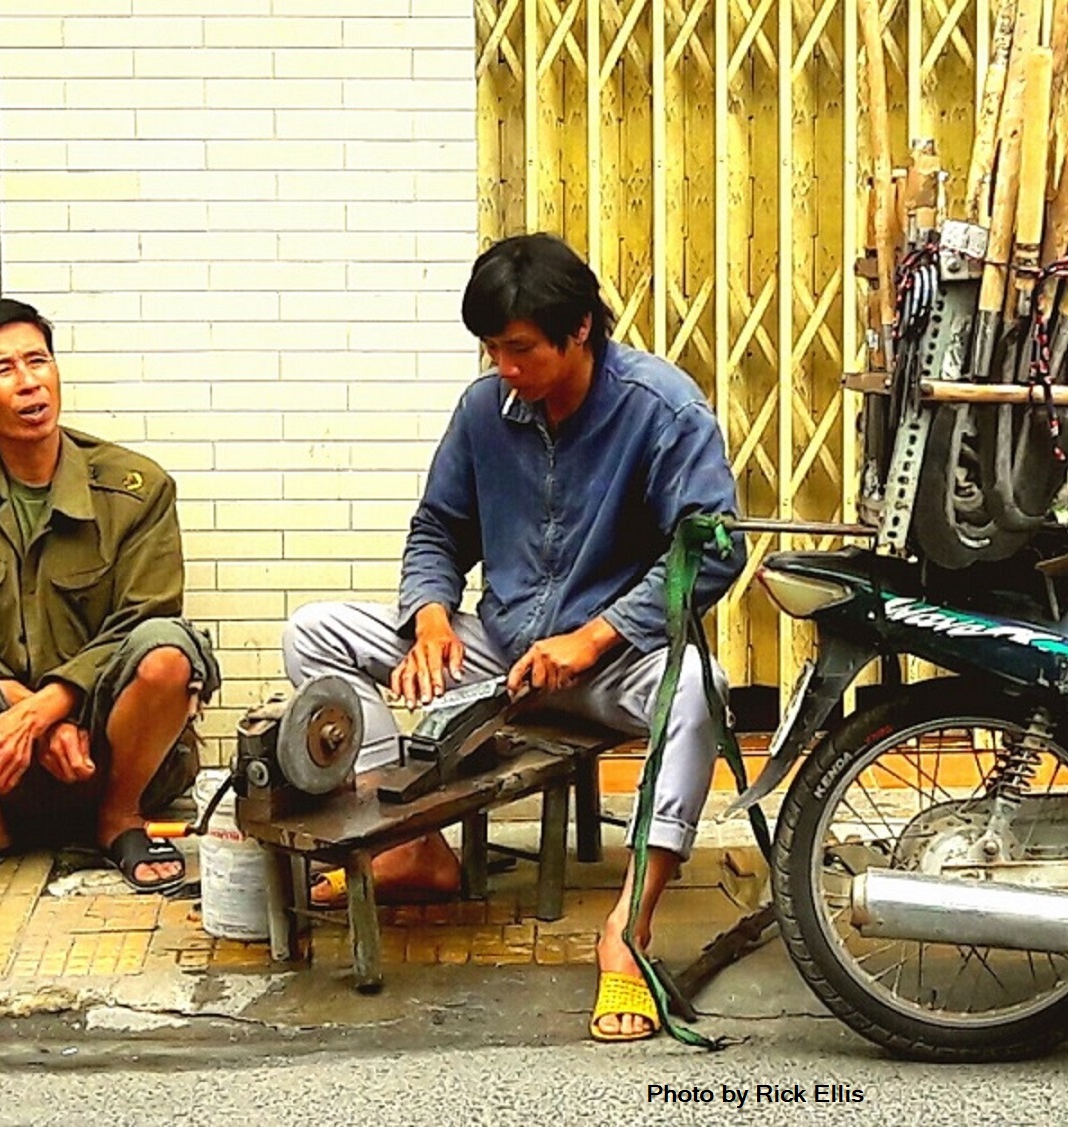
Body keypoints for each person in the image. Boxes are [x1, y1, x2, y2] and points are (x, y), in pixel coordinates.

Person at [282, 232, 744, 1042]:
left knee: (700, 691)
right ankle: (411, 848)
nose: (504, 367)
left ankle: (628, 929)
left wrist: (595, 636)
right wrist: (430, 615)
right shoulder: (482, 410)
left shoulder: (663, 409)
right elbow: (437, 527)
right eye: (491, 349)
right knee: (313, 633)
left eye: (520, 349)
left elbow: (713, 549)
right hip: (501, 650)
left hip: (615, 665)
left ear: (580, 330)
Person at [0, 299, 216, 896]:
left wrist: (47, 711)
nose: (29, 382)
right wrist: (33, 722)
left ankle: (121, 817)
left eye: (38, 361)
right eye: (3, 369)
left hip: (104, 745)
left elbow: (145, 617)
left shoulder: (136, 489)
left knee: (170, 650)